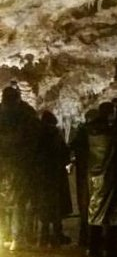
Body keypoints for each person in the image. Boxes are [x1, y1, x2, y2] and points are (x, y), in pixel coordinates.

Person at [81, 101, 117, 257]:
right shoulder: (114, 134)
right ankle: (110, 247)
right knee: (113, 212)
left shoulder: (88, 131)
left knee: (94, 211)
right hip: (111, 176)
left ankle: (92, 246)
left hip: (94, 176)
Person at [0, 84, 40, 251]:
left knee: (3, 202)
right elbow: (34, 136)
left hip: (3, 163)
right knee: (19, 202)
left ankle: (5, 236)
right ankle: (17, 238)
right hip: (19, 164)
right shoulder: (25, 114)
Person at [34, 111, 72, 247]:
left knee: (44, 203)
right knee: (56, 204)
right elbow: (65, 153)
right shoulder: (55, 135)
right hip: (55, 173)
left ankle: (43, 236)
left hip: (41, 174)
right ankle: (57, 234)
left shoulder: (36, 134)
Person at [71, 108, 98, 248]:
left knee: (85, 205)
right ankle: (92, 238)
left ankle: (85, 237)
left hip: (83, 173)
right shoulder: (97, 133)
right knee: (94, 205)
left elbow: (73, 146)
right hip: (94, 173)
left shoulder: (82, 133)